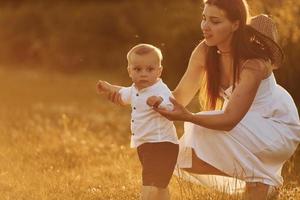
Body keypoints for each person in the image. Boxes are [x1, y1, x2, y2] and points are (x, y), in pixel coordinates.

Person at [105, 1, 300, 199]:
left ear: (236, 24)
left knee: (199, 127)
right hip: (243, 124)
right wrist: (133, 94)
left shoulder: (254, 64)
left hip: (275, 126)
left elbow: (230, 119)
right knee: (180, 156)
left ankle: (261, 180)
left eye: (215, 21)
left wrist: (188, 116)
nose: (205, 26)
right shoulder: (206, 50)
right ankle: (260, 181)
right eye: (204, 18)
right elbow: (178, 97)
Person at [96, 43, 179, 200]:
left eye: (150, 69)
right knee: (159, 188)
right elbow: (122, 93)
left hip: (162, 145)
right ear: (129, 71)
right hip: (145, 145)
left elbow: (171, 105)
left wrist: (158, 102)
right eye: (138, 69)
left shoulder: (160, 90)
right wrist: (109, 88)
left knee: (149, 186)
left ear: (159, 71)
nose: (143, 74)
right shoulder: (134, 89)